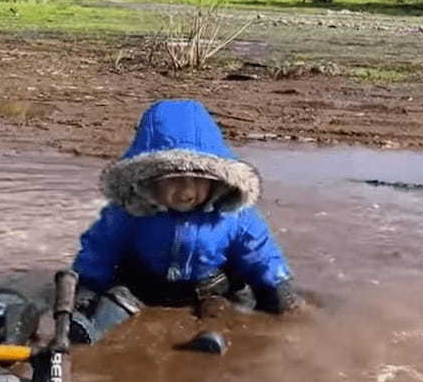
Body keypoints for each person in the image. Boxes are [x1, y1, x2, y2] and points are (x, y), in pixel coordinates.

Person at [70, 99, 299, 344]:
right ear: (150, 178)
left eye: (197, 180)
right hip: (144, 286)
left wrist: (276, 288)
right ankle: (89, 331)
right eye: (173, 180)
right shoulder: (131, 211)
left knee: (219, 309)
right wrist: (88, 287)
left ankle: (213, 337)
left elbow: (260, 252)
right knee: (115, 300)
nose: (186, 191)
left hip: (208, 289)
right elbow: (101, 247)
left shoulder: (233, 215)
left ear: (217, 179)